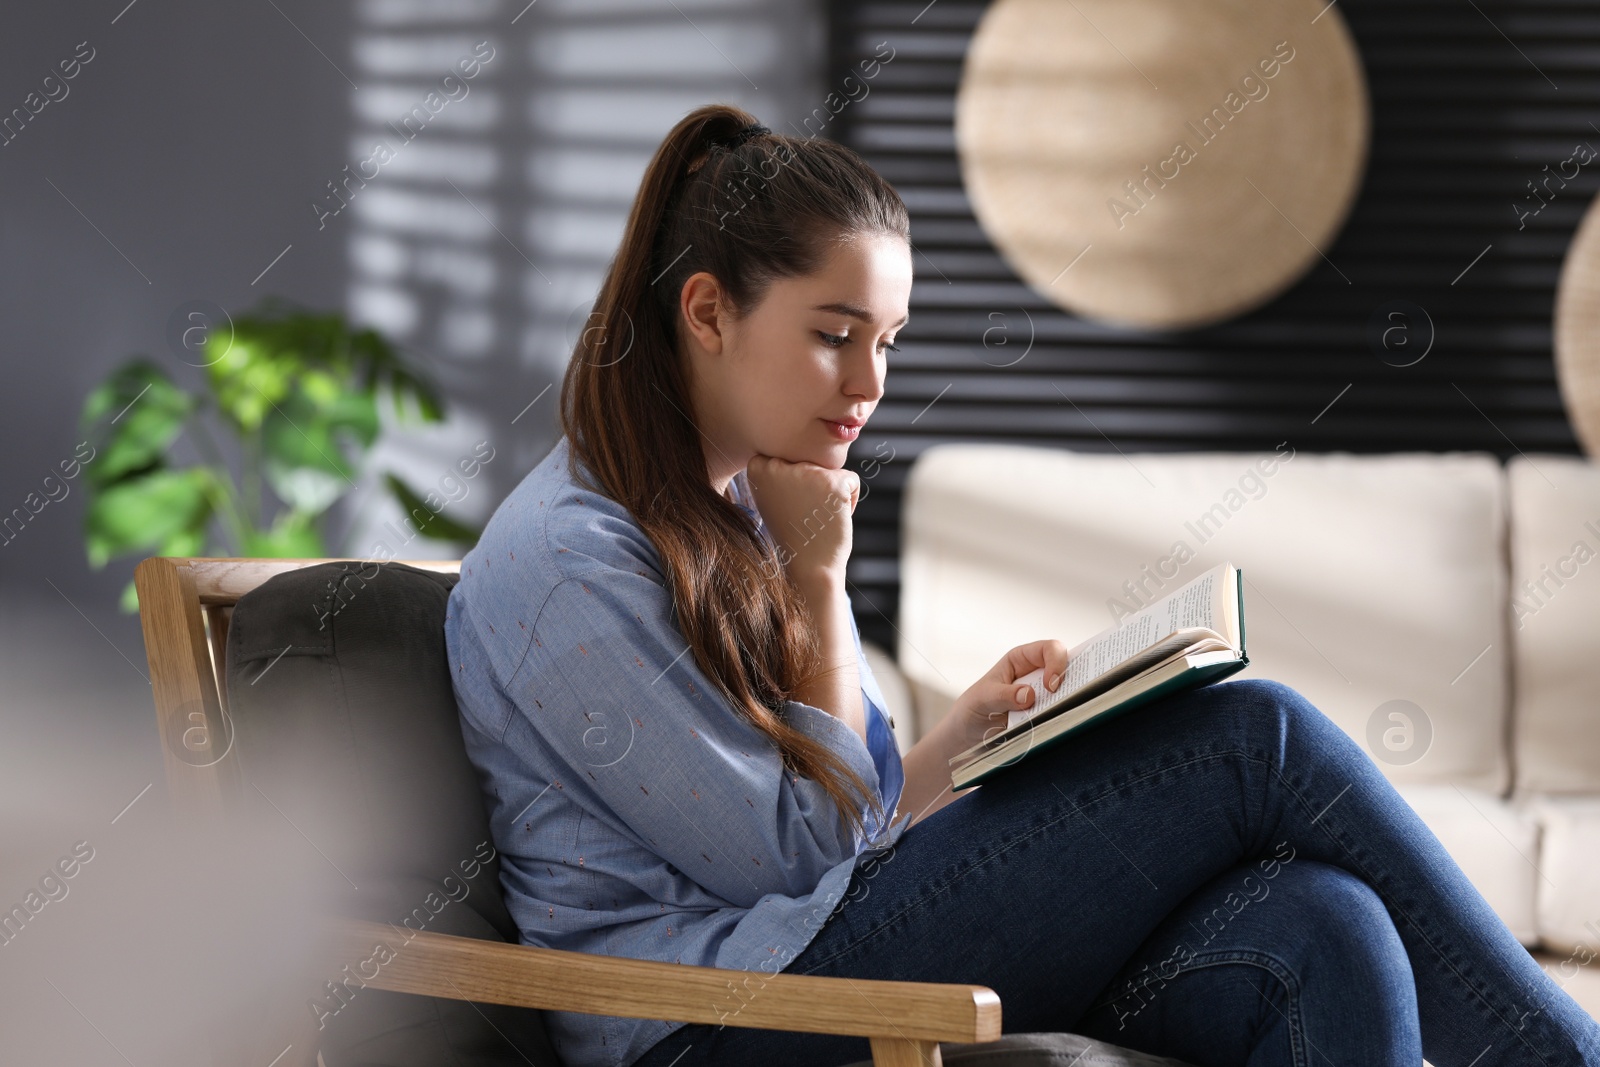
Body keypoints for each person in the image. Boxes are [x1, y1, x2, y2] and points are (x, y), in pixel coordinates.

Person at [443, 103, 1600, 1067]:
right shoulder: (566, 566)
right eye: (834, 334)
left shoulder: (740, 501)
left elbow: (846, 820)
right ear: (706, 311)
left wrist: (961, 738)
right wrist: (820, 574)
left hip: (805, 956)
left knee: (1325, 928)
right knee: (1255, 738)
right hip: (716, 1024)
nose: (868, 384)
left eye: (888, 340)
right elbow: (797, 862)